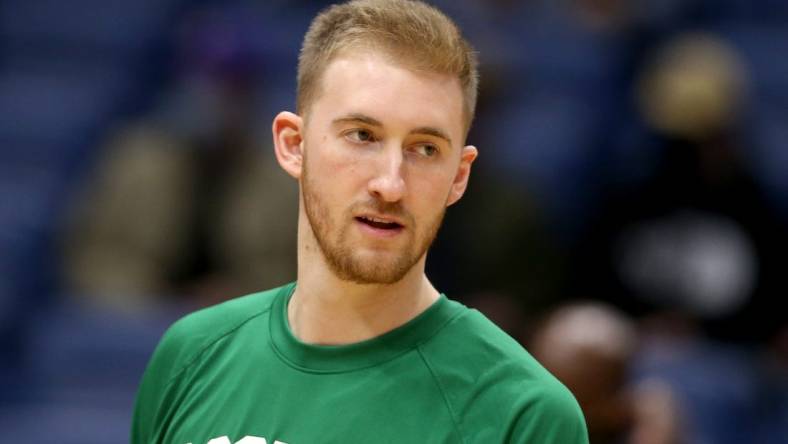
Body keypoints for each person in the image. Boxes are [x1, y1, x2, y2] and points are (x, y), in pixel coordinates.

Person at [131, 1, 588, 443]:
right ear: (293, 144)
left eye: (425, 148)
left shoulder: (523, 413)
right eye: (362, 136)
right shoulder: (190, 355)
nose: (391, 184)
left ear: (459, 176)